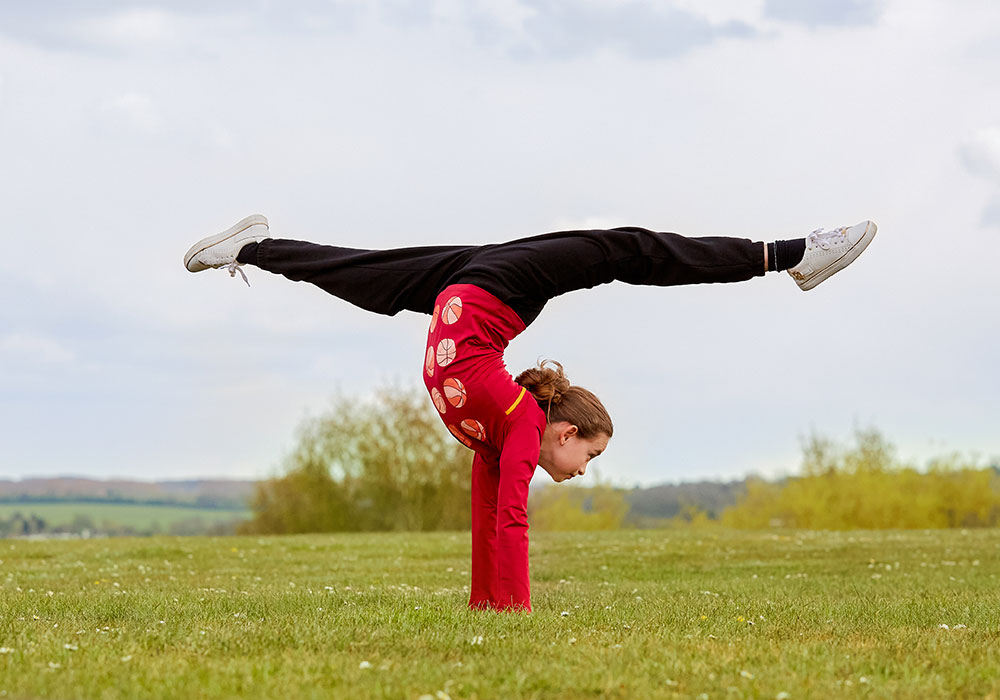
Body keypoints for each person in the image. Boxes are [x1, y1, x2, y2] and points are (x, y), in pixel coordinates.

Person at [183, 215, 877, 612]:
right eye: (590, 456)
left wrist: (490, 606)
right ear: (565, 430)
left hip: (472, 291)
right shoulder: (518, 420)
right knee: (625, 249)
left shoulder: (501, 426)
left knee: (365, 275)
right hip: (493, 289)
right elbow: (511, 515)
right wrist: (517, 610)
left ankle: (250, 249)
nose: (585, 471)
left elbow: (491, 512)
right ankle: (791, 256)